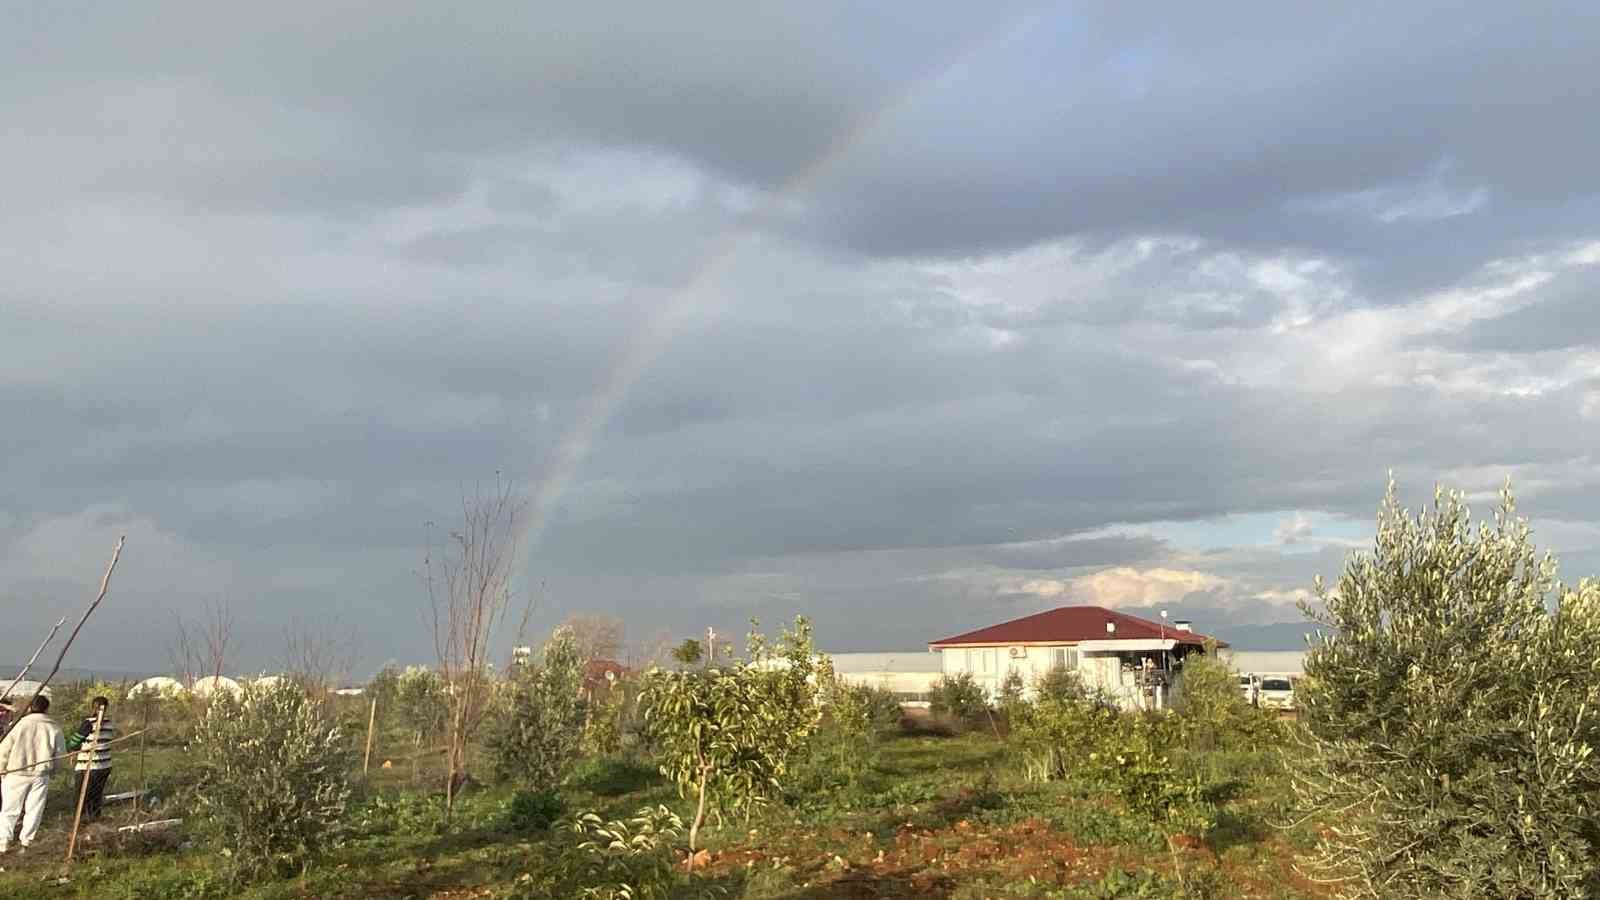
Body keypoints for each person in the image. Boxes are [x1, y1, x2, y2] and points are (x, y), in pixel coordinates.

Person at [0, 695, 66, 853]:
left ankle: (4, 842)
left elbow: (4, 750)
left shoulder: (18, 725)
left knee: (10, 809)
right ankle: (26, 842)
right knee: (34, 809)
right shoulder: (54, 727)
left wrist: (1, 768)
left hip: (15, 773)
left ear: (30, 707)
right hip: (40, 774)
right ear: (47, 709)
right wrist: (54, 771)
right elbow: (60, 754)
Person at [67, 696, 116, 821]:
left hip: (88, 766)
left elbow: (74, 741)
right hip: (104, 766)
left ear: (92, 707)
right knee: (96, 796)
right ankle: (94, 819)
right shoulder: (110, 723)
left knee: (81, 798)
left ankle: (81, 823)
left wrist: (72, 749)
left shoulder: (88, 723)